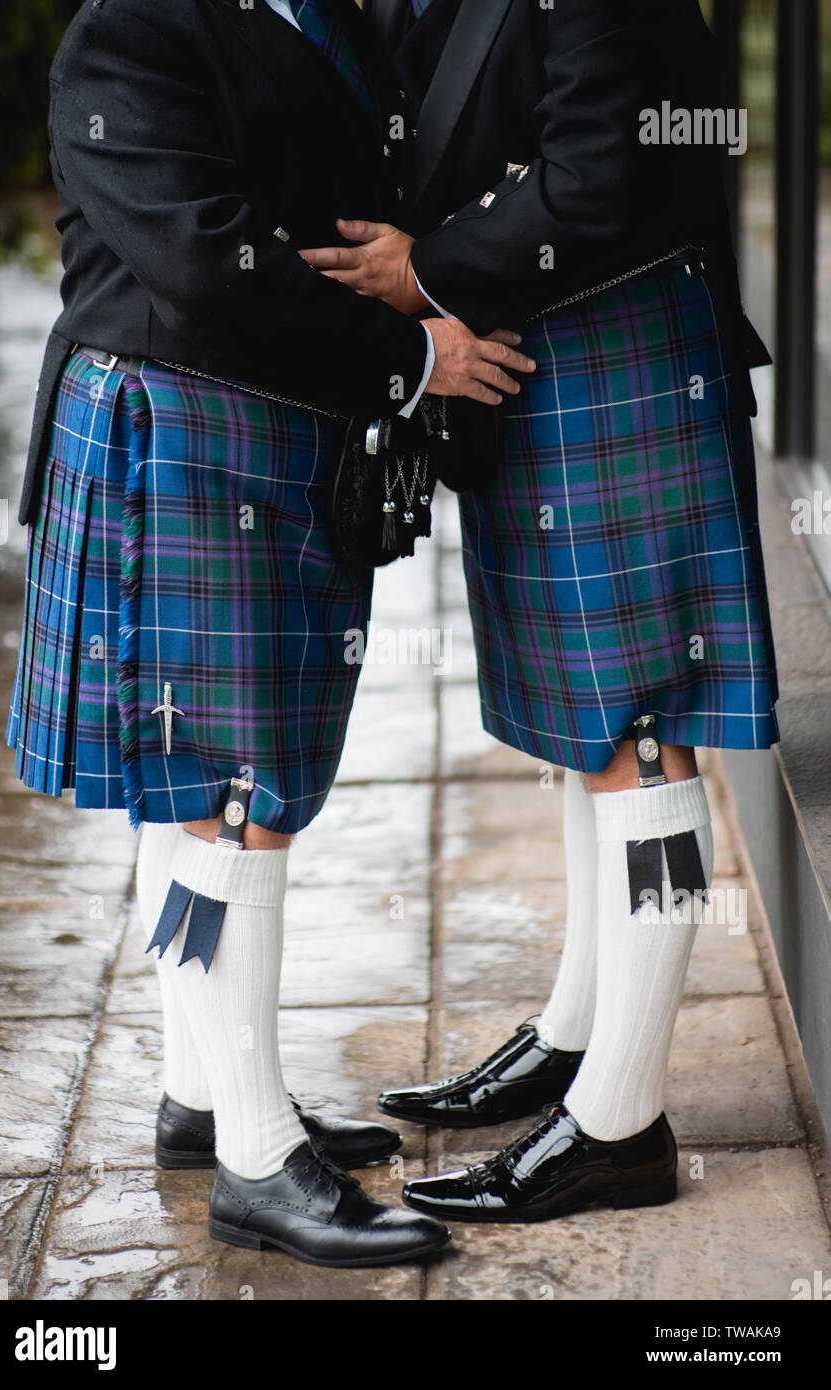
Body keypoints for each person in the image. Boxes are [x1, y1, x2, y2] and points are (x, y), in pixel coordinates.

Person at [5, 0, 535, 1266]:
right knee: (220, 795)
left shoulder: (329, 17)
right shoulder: (127, 32)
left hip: (265, 432)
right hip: (179, 430)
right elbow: (201, 265)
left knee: (220, 791)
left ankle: (204, 1092)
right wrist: (410, 356)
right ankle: (252, 1157)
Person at [304, 0, 780, 1222]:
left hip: (611, 341)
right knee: (591, 731)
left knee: (638, 733)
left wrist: (421, 268)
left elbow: (600, 172)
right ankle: (577, 1031)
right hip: (541, 356)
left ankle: (620, 1121)